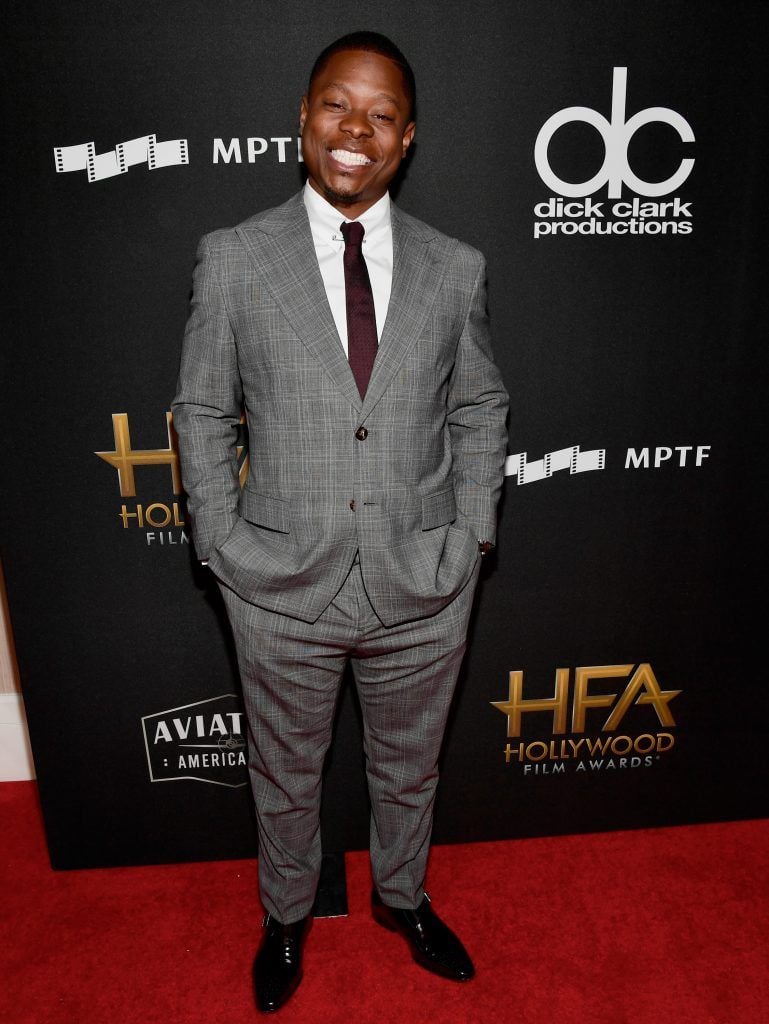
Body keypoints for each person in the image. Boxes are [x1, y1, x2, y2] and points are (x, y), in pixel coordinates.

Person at [172, 31, 508, 1014]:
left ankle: (403, 897)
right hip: (277, 583)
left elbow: (479, 405)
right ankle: (285, 915)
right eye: (335, 104)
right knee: (283, 774)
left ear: (406, 139)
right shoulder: (233, 258)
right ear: (302, 119)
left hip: (423, 578)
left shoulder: (457, 266)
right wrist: (221, 543)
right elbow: (200, 410)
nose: (354, 129)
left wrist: (472, 531)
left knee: (411, 768)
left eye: (380, 113)